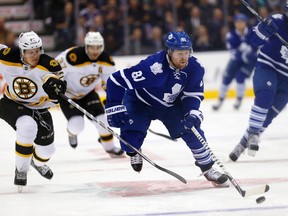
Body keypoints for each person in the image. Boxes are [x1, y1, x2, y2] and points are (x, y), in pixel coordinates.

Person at [104, 31, 229, 187]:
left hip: (168, 106)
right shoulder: (152, 68)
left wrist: (192, 112)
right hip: (140, 102)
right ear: (169, 51)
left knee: (192, 129)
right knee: (129, 142)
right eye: (179, 53)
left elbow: (192, 95)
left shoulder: (194, 68)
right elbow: (115, 80)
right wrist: (113, 105)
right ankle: (134, 151)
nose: (184, 57)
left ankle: (208, 168)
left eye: (186, 52)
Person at [0, 31, 67, 191]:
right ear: (22, 51)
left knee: (47, 151)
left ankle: (36, 162)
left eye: (37, 50)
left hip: (40, 108)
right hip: (11, 103)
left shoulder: (49, 65)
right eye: (30, 52)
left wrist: (56, 88)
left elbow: (60, 91)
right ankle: (21, 170)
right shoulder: (7, 57)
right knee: (27, 126)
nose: (35, 55)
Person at [229, 4, 287, 161]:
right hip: (268, 67)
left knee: (268, 117)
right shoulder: (277, 21)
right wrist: (263, 31)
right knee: (264, 98)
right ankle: (254, 133)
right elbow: (253, 41)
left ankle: (242, 144)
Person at [55, 31, 124, 158]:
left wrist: (112, 98)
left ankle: (109, 148)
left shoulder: (106, 60)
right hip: (69, 95)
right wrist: (55, 83)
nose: (95, 51)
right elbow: (53, 68)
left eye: (98, 47)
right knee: (77, 125)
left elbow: (109, 83)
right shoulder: (72, 56)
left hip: (88, 94)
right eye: (92, 47)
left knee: (103, 121)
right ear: (86, 46)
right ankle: (72, 134)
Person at [212, 14, 258, 111]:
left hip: (249, 61)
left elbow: (256, 46)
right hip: (236, 60)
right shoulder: (231, 35)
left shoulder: (252, 33)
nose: (240, 24)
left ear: (245, 23)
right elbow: (233, 52)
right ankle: (220, 100)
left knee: (240, 77)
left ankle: (239, 100)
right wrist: (244, 54)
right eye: (238, 22)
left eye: (242, 22)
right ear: (235, 23)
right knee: (226, 78)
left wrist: (249, 52)